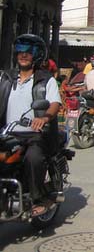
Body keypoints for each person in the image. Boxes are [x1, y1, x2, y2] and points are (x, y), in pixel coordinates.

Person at [0, 34, 62, 217]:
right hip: (7, 133)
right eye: (20, 50)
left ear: (37, 55)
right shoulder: (6, 78)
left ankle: (39, 197)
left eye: (29, 51)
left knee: (33, 158)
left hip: (35, 134)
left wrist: (44, 118)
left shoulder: (46, 80)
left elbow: (54, 104)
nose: (24, 54)